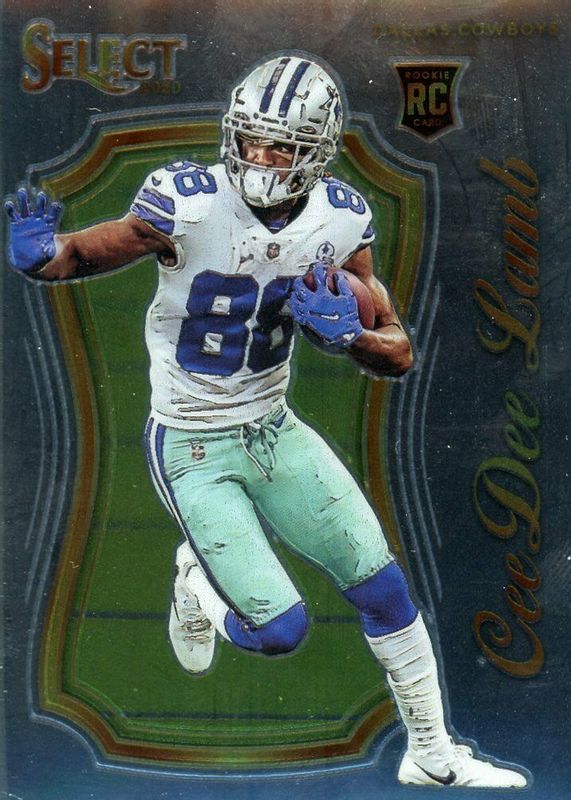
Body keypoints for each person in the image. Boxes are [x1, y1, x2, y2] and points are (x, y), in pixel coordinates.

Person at [4, 54, 526, 788]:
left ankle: (431, 755)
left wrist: (351, 337)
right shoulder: (187, 202)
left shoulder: (340, 218)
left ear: (316, 151)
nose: (258, 156)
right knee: (279, 632)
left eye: (280, 145)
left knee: (384, 590)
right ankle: (194, 586)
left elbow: (398, 349)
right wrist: (43, 259)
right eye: (249, 138)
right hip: (192, 444)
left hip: (274, 429)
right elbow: (89, 251)